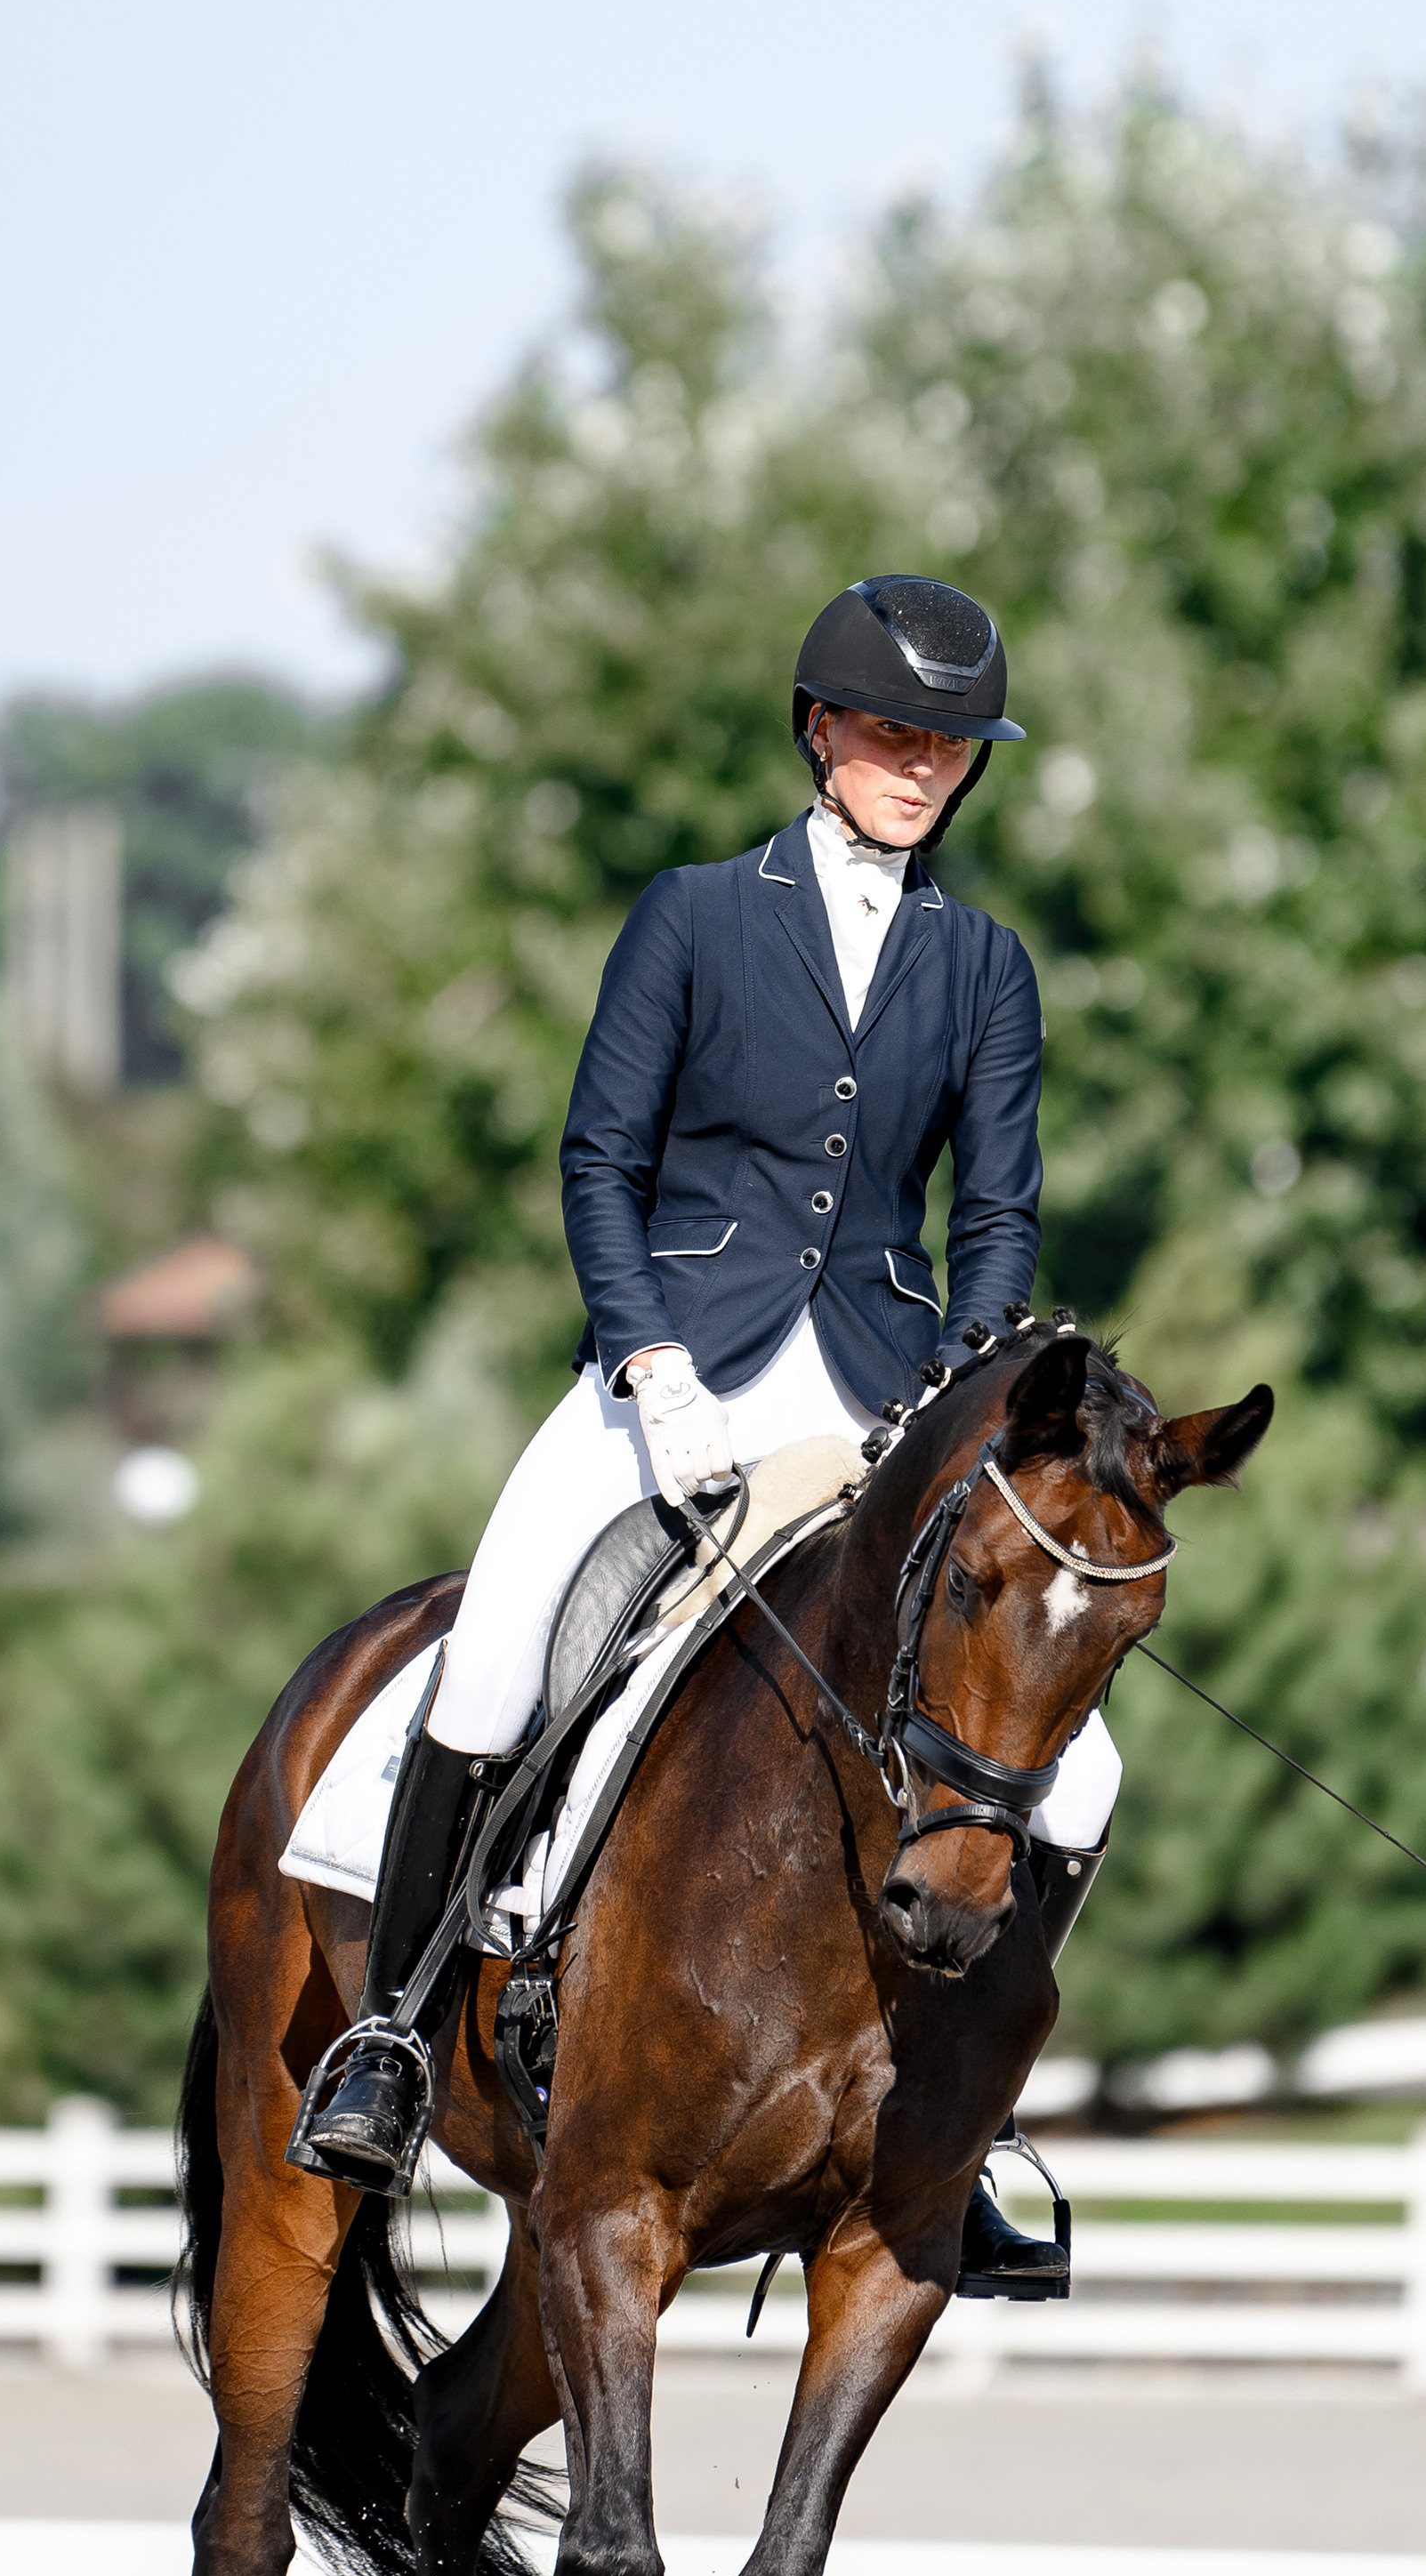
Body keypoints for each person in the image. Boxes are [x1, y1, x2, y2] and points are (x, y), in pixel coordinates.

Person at [304, 576, 1114, 2278]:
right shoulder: (693, 916)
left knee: (1080, 1763)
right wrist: (651, 1364)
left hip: (877, 1387)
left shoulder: (985, 965)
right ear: (823, 730)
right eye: (895, 732)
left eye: (950, 746)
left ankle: (958, 2117)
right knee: (507, 1631)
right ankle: (387, 2026)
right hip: (680, 1356)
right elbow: (600, 1158)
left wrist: (968, 1384)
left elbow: (999, 1216)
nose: (921, 767)